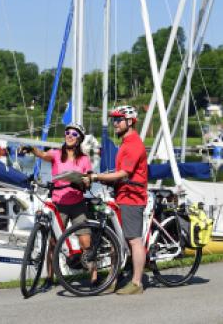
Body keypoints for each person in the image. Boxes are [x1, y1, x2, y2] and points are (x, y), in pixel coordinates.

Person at [83, 105, 148, 295]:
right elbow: (120, 173)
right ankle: (115, 278)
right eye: (114, 120)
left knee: (134, 240)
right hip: (122, 195)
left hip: (132, 198)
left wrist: (96, 177)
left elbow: (124, 173)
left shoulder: (134, 144)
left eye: (118, 120)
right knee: (118, 241)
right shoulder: (126, 143)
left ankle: (137, 283)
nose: (115, 124)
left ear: (130, 121)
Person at [22, 123, 92, 291]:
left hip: (77, 204)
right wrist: (31, 148)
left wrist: (85, 181)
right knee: (53, 243)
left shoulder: (84, 159)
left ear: (79, 139)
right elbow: (42, 154)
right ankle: (49, 278)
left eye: (74, 134)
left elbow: (89, 179)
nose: (69, 135)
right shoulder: (56, 154)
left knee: (85, 242)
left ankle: (93, 275)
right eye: (68, 132)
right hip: (59, 204)